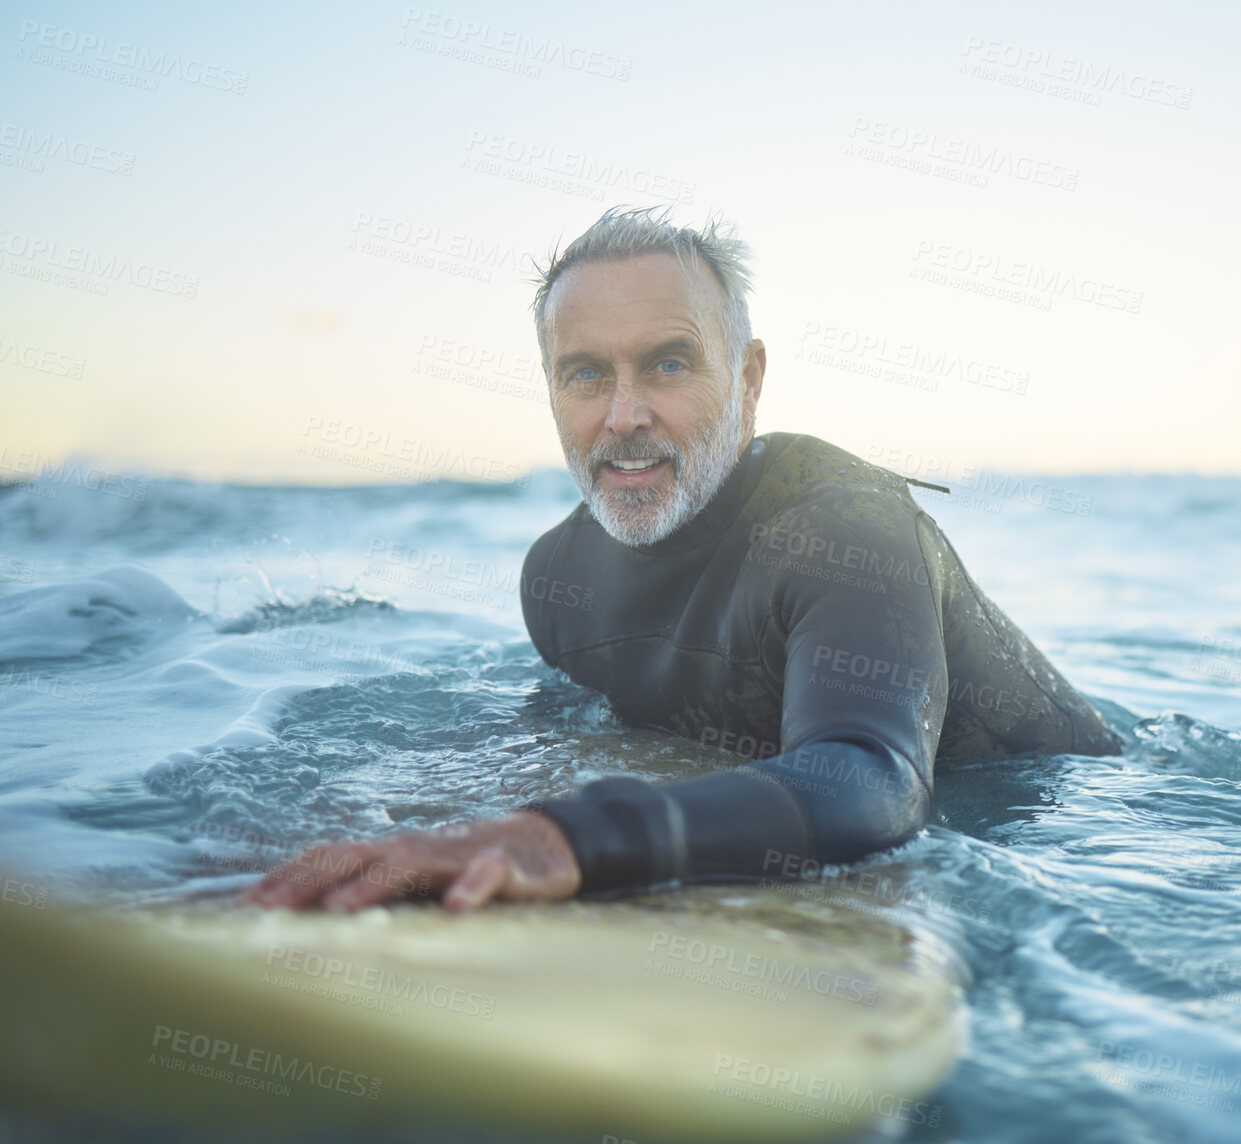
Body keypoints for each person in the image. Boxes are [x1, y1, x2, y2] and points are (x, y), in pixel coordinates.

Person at [244, 206, 1123, 913]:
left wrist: (568, 839)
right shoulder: (557, 580)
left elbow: (873, 786)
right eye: (586, 374)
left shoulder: (845, 532)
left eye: (668, 363)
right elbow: (570, 738)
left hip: (1085, 838)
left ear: (748, 379)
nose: (623, 414)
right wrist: (369, 816)